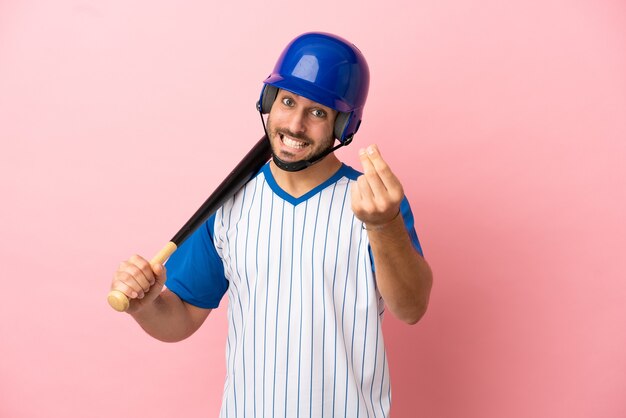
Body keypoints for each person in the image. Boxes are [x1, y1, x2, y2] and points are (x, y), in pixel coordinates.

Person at [110, 32, 433, 417]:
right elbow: (180, 319)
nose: (294, 124)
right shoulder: (228, 206)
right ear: (268, 101)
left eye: (318, 112)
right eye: (287, 102)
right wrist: (145, 307)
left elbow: (411, 308)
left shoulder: (375, 204)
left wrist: (383, 225)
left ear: (343, 126)